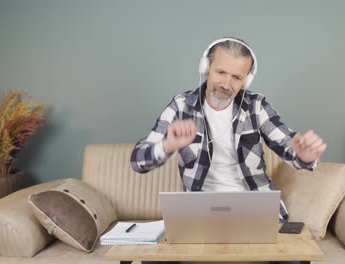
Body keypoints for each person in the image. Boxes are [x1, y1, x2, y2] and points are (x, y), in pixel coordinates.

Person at [131, 37, 327, 264]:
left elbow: (288, 144)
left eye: (236, 77)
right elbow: (137, 161)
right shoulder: (181, 105)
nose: (226, 84)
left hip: (256, 212)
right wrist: (168, 146)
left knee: (294, 260)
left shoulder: (256, 106)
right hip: (198, 215)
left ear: (247, 79)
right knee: (151, 260)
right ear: (206, 68)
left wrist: (303, 156)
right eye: (220, 72)